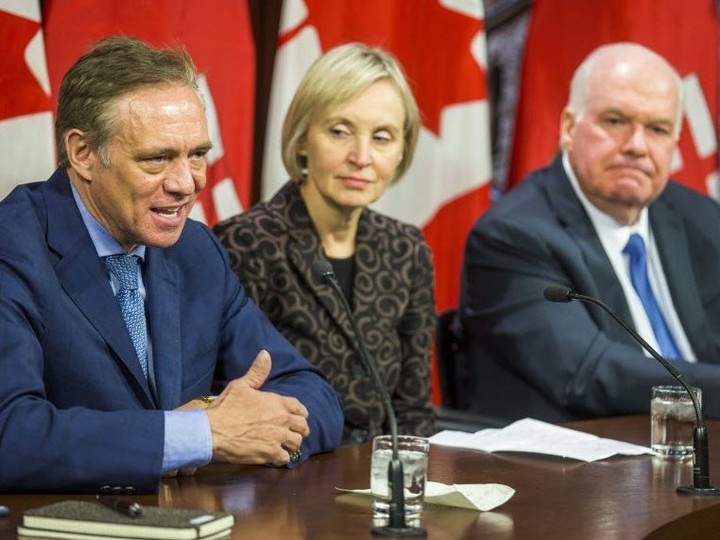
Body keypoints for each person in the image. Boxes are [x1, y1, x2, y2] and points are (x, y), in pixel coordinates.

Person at [0, 36, 343, 493]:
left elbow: (315, 396)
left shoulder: (196, 250)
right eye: (157, 158)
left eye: (197, 155)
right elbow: (12, 436)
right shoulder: (14, 246)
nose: (186, 183)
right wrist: (200, 435)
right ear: (82, 153)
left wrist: (217, 421)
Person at [458, 42, 720, 424]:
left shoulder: (701, 218)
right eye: (615, 121)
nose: (636, 146)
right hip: (585, 464)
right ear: (568, 128)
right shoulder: (512, 236)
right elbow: (590, 374)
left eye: (658, 129)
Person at [214, 43, 436, 445]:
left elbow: (413, 411)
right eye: (339, 131)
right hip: (285, 473)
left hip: (383, 478)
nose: (361, 156)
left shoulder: (406, 249)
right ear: (302, 139)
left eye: (382, 137)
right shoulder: (248, 242)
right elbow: (232, 395)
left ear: (402, 150)